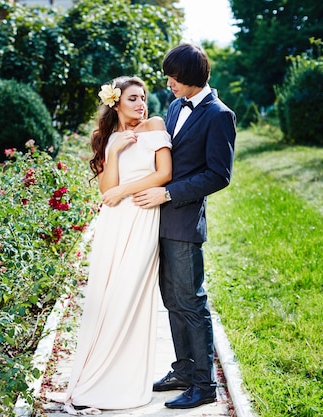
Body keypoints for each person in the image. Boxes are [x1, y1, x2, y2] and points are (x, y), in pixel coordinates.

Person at [132, 43, 236, 409]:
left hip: (184, 221)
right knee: (172, 301)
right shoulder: (175, 106)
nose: (169, 82)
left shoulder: (219, 115)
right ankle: (183, 370)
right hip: (156, 221)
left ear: (191, 77)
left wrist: (169, 194)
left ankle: (204, 386)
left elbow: (218, 175)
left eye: (174, 77)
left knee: (192, 302)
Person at [60, 76, 172, 415]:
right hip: (114, 225)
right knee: (106, 298)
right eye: (133, 98)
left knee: (130, 295)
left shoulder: (154, 125)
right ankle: (99, 376)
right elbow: (105, 192)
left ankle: (123, 380)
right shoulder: (108, 139)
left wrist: (124, 190)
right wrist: (112, 150)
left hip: (142, 221)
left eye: (143, 97)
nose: (142, 104)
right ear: (116, 104)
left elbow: (164, 173)